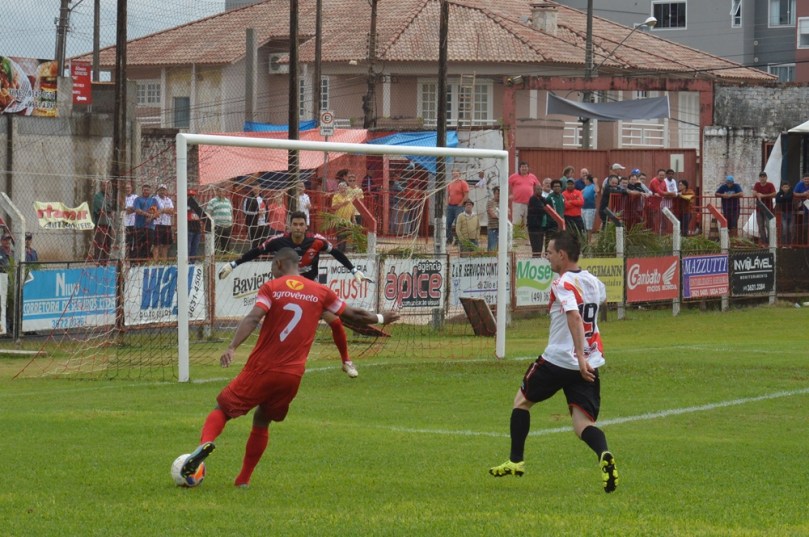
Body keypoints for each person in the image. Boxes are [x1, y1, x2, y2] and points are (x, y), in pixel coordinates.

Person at [179, 247, 399, 488]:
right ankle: (243, 480)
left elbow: (253, 318)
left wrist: (232, 347)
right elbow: (355, 315)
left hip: (262, 368)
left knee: (222, 408)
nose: (271, 272)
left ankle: (203, 446)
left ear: (280, 264)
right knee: (262, 418)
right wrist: (381, 318)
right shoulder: (319, 291)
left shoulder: (272, 288)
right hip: (292, 376)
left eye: (272, 267)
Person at [488, 231, 617, 493]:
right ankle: (604, 453)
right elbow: (594, 307)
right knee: (583, 424)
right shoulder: (594, 282)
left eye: (549, 252)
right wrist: (584, 358)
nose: (546, 257)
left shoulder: (562, 283)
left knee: (521, 402)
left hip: (560, 359)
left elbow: (574, 316)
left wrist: (578, 356)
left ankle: (516, 461)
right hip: (590, 363)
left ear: (562, 255)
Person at [218, 210, 371, 378]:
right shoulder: (278, 241)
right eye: (295, 224)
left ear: (306, 227)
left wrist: (354, 270)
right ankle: (266, 363)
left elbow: (336, 253)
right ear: (289, 226)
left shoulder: (317, 241)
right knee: (275, 326)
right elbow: (256, 251)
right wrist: (232, 265)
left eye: (301, 225)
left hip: (310, 293)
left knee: (335, 322)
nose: (298, 228)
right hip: (285, 293)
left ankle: (346, 362)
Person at [129, 184, 158, 261]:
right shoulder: (137, 199)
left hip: (150, 227)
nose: (146, 191)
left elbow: (156, 212)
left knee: (148, 247)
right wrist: (148, 215)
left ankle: (144, 263)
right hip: (139, 226)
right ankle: (135, 264)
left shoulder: (153, 200)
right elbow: (138, 210)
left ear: (150, 191)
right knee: (137, 246)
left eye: (147, 190)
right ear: (142, 190)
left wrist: (151, 217)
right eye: (144, 190)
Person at [508, 161, 540, 228]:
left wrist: (536, 197)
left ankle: (526, 237)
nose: (524, 168)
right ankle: (516, 237)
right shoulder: (513, 176)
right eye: (522, 167)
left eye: (525, 167)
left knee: (527, 221)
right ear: (519, 168)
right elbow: (505, 185)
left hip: (530, 203)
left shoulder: (532, 176)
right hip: (517, 203)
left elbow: (538, 186)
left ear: (528, 168)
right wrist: (509, 194)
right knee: (517, 222)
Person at [90, 179, 115, 265]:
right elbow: (100, 209)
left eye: (107, 186)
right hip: (100, 223)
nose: (105, 187)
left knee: (108, 242)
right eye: (104, 185)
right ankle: (98, 260)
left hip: (108, 223)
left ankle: (106, 260)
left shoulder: (109, 197)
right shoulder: (97, 196)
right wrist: (107, 210)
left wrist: (111, 212)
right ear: (101, 186)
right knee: (100, 242)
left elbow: (111, 209)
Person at [330, 180, 356, 252]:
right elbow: (333, 207)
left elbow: (352, 208)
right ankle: (340, 251)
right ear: (338, 189)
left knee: (346, 236)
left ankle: (343, 251)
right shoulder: (336, 196)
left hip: (348, 220)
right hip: (339, 220)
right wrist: (342, 204)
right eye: (341, 187)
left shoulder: (349, 197)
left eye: (345, 187)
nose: (343, 189)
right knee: (340, 236)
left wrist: (353, 218)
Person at [446, 169, 470, 245]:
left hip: (459, 206)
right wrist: (447, 202)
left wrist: (461, 203)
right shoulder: (450, 183)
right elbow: (448, 194)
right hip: (450, 206)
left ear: (459, 174)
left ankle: (458, 240)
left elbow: (466, 195)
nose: (455, 175)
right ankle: (449, 238)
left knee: (458, 224)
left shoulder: (463, 183)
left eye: (456, 174)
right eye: (453, 174)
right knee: (448, 223)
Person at [207, 186, 234, 253]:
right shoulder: (212, 201)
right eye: (220, 191)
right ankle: (214, 256)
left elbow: (231, 212)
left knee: (226, 243)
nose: (222, 193)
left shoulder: (228, 201)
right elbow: (208, 213)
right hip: (217, 225)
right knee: (215, 243)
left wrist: (232, 222)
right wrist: (211, 224)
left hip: (228, 226)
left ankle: (225, 256)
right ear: (217, 192)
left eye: (223, 191)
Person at [752, 172, 776, 246]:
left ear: (766, 177)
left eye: (764, 176)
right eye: (761, 177)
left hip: (768, 209)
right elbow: (753, 193)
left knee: (769, 226)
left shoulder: (770, 185)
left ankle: (770, 241)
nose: (762, 178)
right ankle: (764, 242)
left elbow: (774, 193)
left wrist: (763, 196)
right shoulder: (757, 184)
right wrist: (757, 194)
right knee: (760, 226)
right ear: (759, 178)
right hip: (759, 209)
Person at [153, 184, 175, 260]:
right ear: (158, 191)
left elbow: (172, 211)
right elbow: (154, 212)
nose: (162, 191)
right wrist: (164, 210)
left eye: (164, 190)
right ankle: (155, 262)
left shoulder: (168, 200)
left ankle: (164, 261)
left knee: (166, 244)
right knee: (156, 244)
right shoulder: (154, 199)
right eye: (161, 190)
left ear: (166, 191)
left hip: (167, 224)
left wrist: (162, 210)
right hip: (157, 224)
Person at [242, 183, 265, 249]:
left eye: (258, 187)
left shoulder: (263, 198)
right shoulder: (248, 198)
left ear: (260, 188)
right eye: (254, 187)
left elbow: (266, 209)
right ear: (252, 188)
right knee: (253, 242)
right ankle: (253, 257)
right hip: (253, 224)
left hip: (263, 223)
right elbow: (245, 211)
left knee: (262, 242)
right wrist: (257, 213)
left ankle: (260, 257)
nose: (256, 189)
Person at [526, 183, 547, 256]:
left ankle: (538, 256)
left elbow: (547, 207)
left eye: (541, 189)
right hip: (533, 226)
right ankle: (535, 258)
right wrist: (545, 209)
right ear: (534, 190)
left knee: (540, 244)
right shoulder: (533, 199)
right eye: (538, 189)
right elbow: (540, 209)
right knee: (535, 244)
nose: (540, 191)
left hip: (540, 225)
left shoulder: (543, 199)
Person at [543, 180, 565, 244]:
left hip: (560, 223)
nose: (557, 187)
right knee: (550, 241)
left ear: (561, 187)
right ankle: (547, 254)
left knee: (558, 242)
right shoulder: (549, 198)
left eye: (558, 186)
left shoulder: (562, 197)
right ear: (552, 188)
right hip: (551, 224)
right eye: (555, 186)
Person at [186, 189, 205, 259]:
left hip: (197, 227)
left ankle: (192, 262)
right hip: (189, 227)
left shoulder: (198, 205)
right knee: (188, 246)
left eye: (193, 196)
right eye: (189, 196)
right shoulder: (185, 204)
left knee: (195, 246)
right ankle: (187, 262)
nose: (191, 197)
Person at [123, 182, 138, 259]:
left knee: (135, 242)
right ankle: (126, 258)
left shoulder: (135, 197)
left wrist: (130, 209)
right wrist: (131, 209)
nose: (127, 189)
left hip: (134, 223)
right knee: (127, 242)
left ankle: (133, 259)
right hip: (126, 224)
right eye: (126, 188)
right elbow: (123, 208)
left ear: (131, 189)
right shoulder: (123, 198)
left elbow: (136, 208)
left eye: (129, 188)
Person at [794, 175, 809, 244]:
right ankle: (805, 243)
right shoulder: (799, 184)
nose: (807, 181)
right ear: (803, 179)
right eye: (805, 179)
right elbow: (794, 193)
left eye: (808, 179)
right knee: (805, 226)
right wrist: (803, 194)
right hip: (806, 209)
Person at [486, 187, 501, 252]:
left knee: (502, 249)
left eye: (500, 194)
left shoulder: (504, 202)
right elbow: (492, 215)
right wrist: (502, 215)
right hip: (493, 228)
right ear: (494, 194)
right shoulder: (490, 202)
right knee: (492, 249)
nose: (498, 195)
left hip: (502, 229)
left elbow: (508, 213)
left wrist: (498, 213)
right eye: (497, 193)